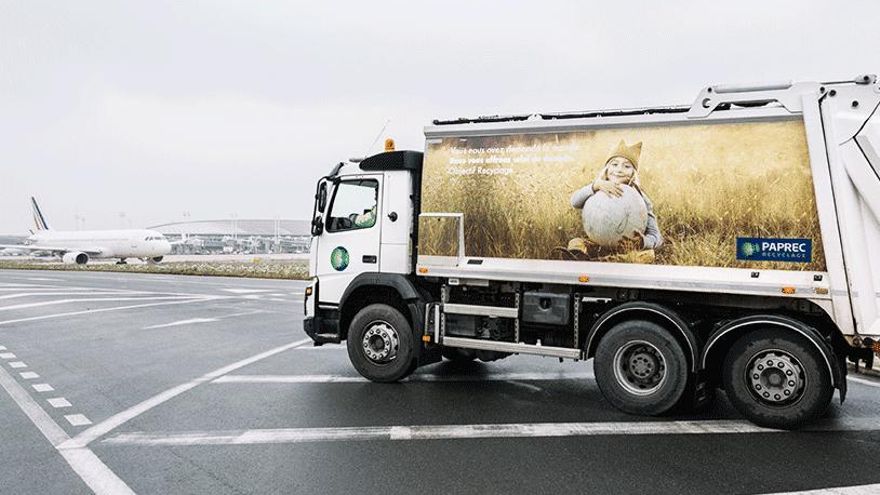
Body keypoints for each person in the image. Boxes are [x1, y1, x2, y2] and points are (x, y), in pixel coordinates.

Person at [566, 140, 662, 262]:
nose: (619, 170)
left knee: (649, 254)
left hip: (626, 247)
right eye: (614, 164)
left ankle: (608, 261)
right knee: (576, 242)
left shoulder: (640, 198)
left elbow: (656, 237)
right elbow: (574, 202)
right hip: (598, 242)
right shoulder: (598, 187)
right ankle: (576, 257)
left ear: (634, 172)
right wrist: (595, 185)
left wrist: (642, 242)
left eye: (627, 166)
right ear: (607, 168)